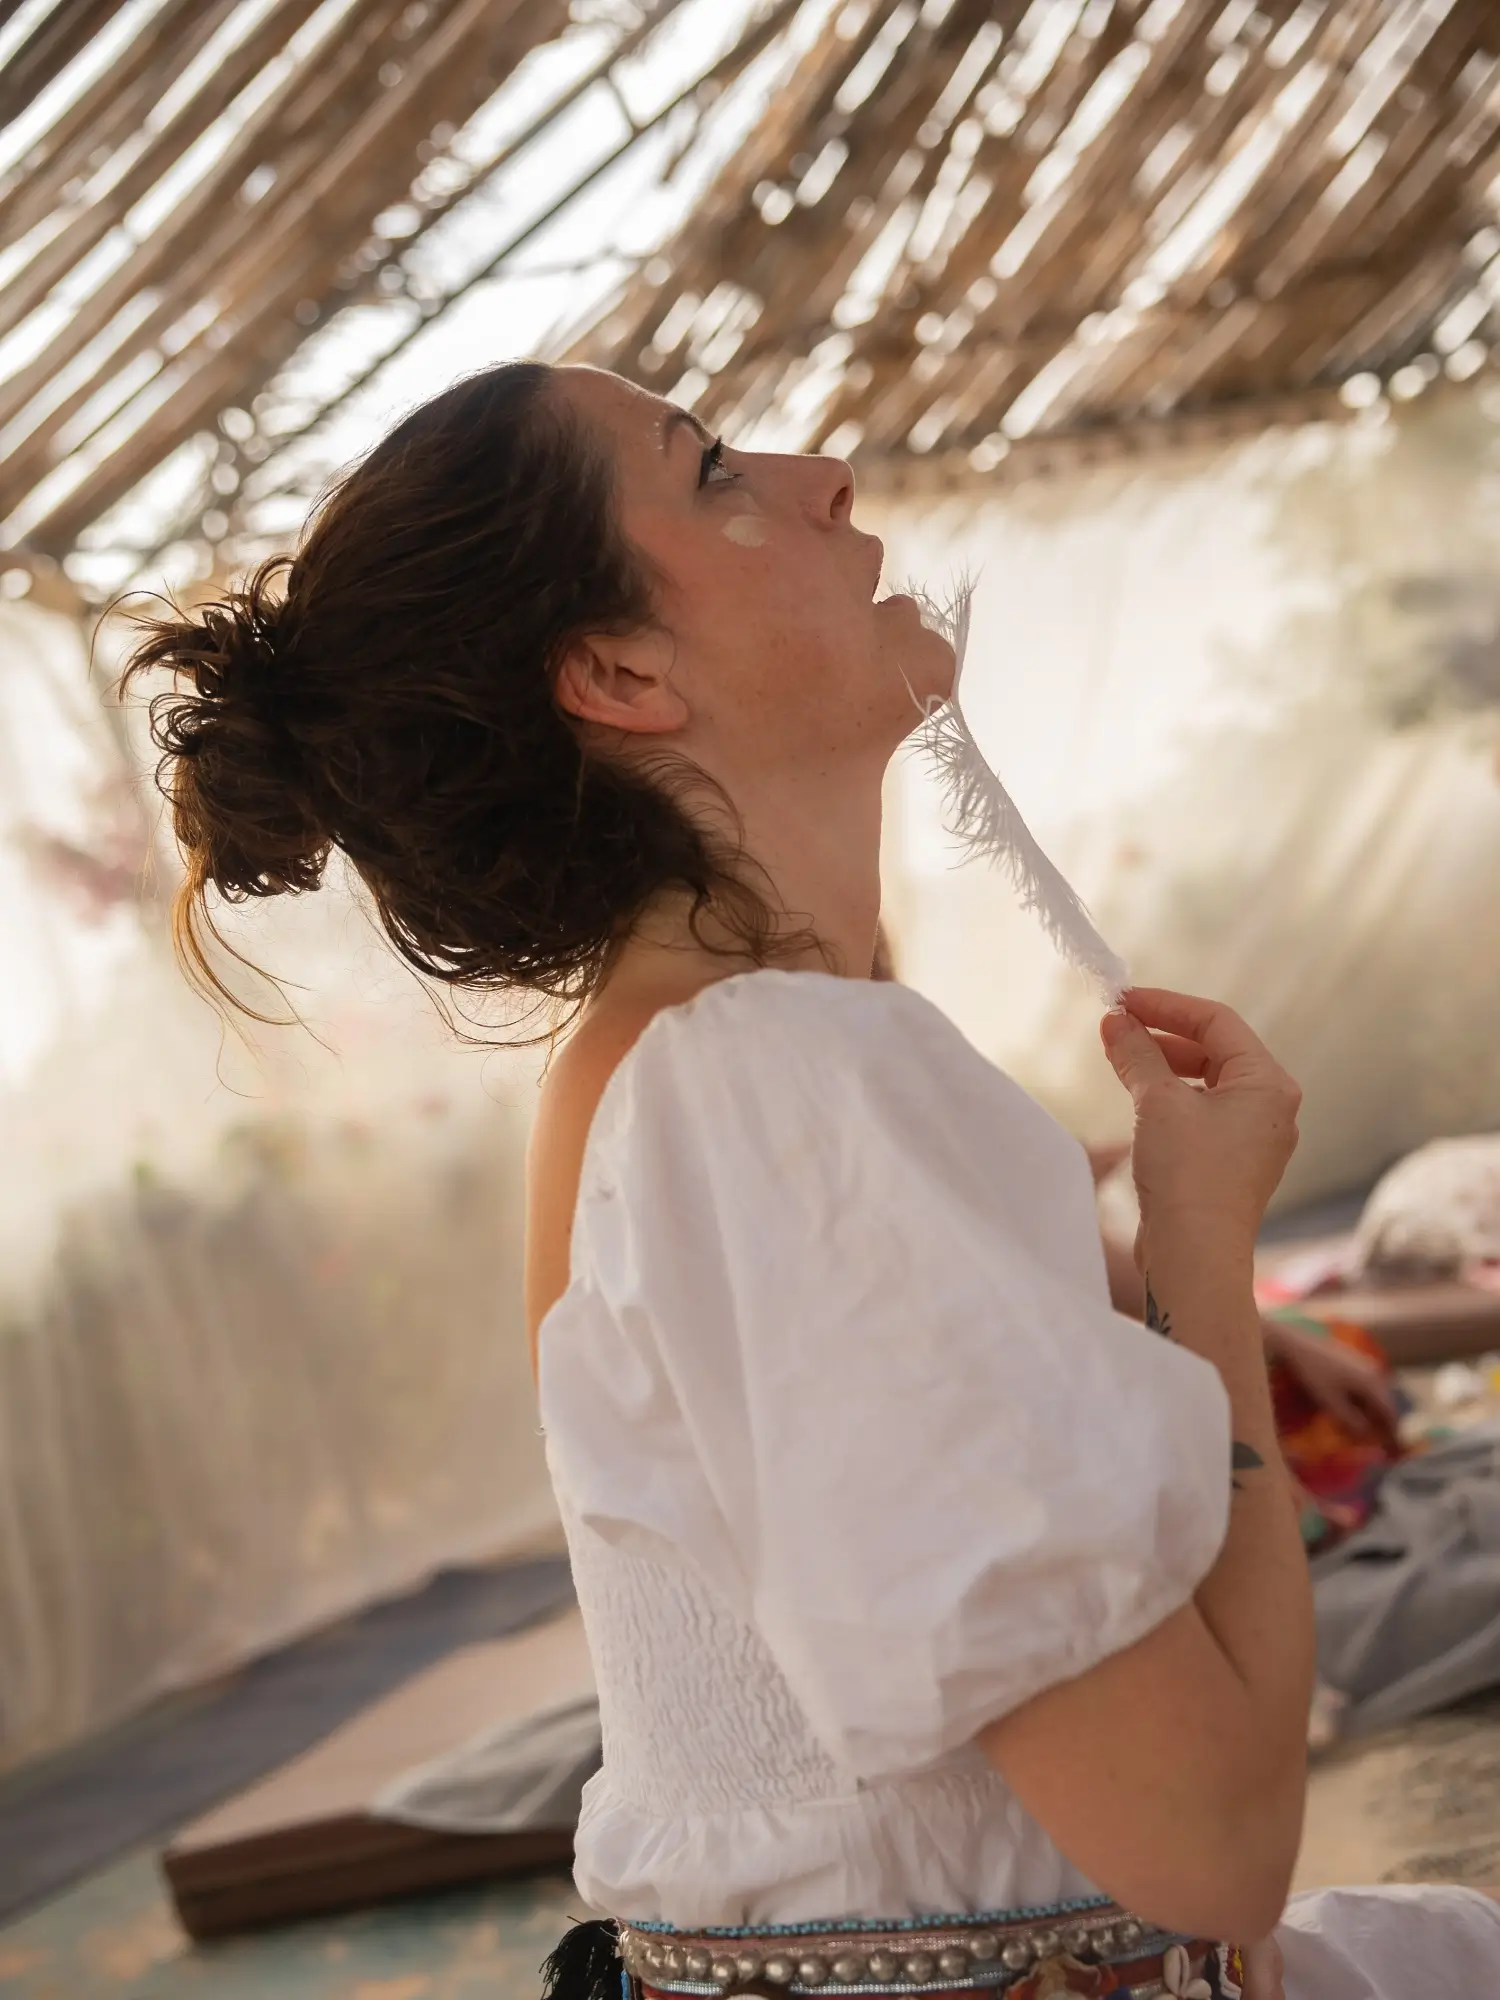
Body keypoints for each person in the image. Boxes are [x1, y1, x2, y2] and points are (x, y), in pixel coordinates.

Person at [126, 361, 1500, 2000]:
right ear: (620, 673)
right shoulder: (771, 1084)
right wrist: (1202, 1260)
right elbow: (1212, 1844)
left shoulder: (684, 1064)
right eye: (710, 468)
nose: (824, 472)